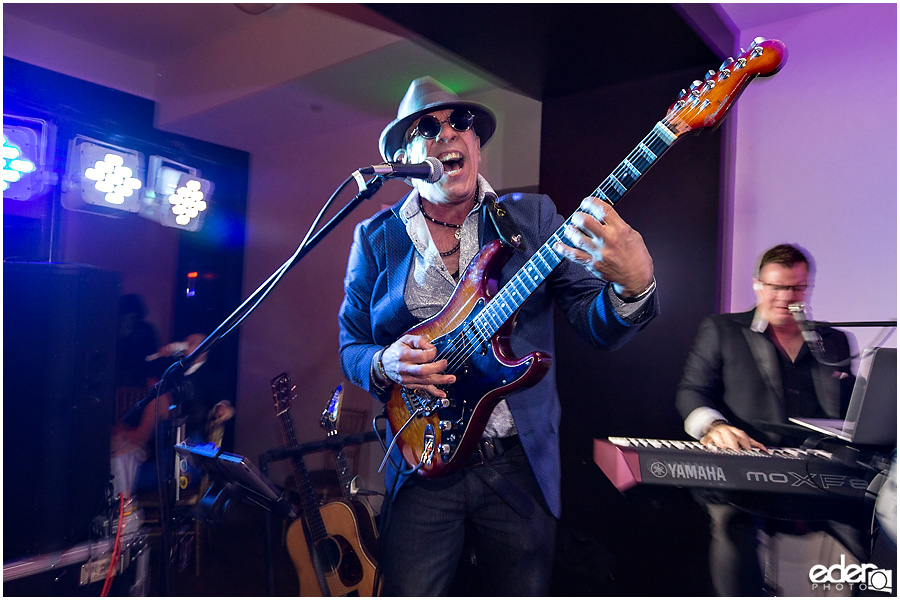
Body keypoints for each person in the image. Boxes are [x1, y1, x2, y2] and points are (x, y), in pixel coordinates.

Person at [338, 76, 659, 595]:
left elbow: (592, 321)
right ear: (402, 156)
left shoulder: (530, 218)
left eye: (459, 123)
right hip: (423, 456)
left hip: (514, 463)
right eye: (428, 127)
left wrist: (634, 284)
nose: (448, 134)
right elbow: (352, 345)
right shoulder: (377, 236)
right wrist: (385, 363)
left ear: (477, 146)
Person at [676, 243, 858, 596]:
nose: (786, 297)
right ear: (758, 284)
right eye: (776, 287)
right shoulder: (722, 330)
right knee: (732, 524)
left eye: (796, 288)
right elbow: (690, 391)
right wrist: (714, 427)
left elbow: (851, 413)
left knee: (876, 529)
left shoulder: (834, 341)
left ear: (807, 288)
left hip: (819, 474)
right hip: (745, 471)